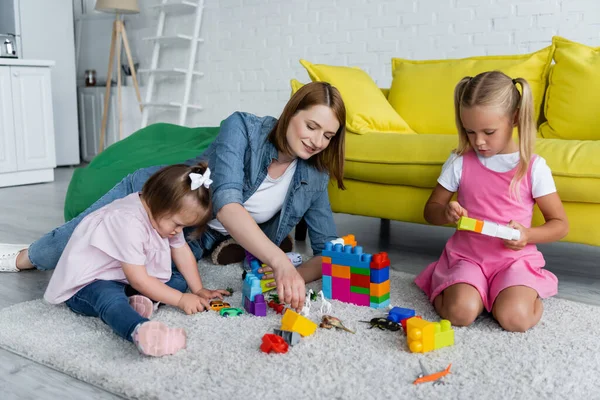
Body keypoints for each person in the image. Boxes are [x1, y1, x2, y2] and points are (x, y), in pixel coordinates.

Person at [0, 82, 346, 312]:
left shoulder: (314, 174)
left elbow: (329, 248)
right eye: (311, 126)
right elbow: (226, 204)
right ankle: (22, 257)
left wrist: (295, 278)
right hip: (158, 198)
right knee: (75, 239)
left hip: (195, 230)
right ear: (290, 113)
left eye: (328, 135)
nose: (317, 141)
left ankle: (129, 296)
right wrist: (280, 262)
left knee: (157, 276)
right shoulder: (242, 127)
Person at [414, 71, 569, 333]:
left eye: (488, 131)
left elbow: (560, 224)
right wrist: (447, 213)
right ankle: (461, 287)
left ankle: (517, 292)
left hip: (513, 260)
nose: (478, 141)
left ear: (515, 118)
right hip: (468, 257)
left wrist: (528, 234)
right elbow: (430, 211)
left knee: (515, 319)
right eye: (469, 131)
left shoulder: (533, 167)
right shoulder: (460, 162)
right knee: (459, 313)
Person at [44, 163, 230, 357]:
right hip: (88, 283)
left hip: (123, 276)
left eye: (183, 227)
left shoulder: (162, 214)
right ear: (160, 203)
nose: (178, 232)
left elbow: (181, 250)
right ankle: (140, 330)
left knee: (179, 281)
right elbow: (139, 280)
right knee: (110, 298)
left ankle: (137, 301)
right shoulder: (128, 221)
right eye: (177, 225)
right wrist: (181, 300)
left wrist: (198, 290)